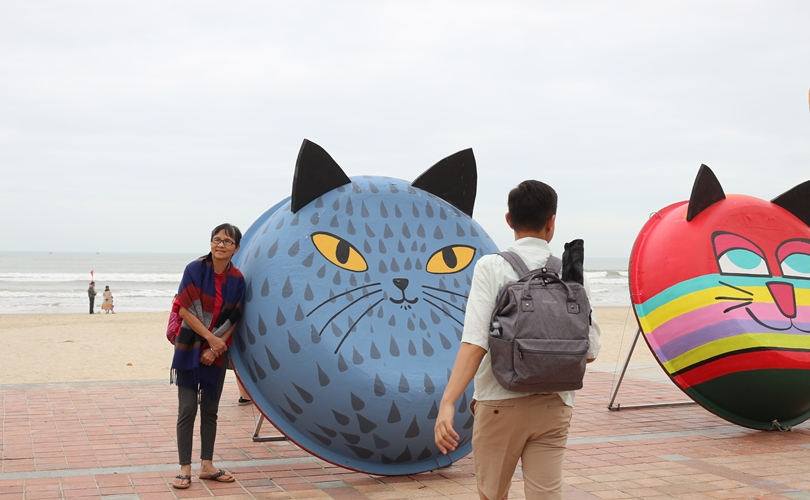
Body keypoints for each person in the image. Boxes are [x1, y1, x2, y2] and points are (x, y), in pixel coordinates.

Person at [434, 180, 602, 500]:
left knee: (492, 494)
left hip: (499, 402)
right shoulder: (571, 272)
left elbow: (475, 342)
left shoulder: (491, 266)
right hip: (555, 404)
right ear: (551, 221)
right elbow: (590, 351)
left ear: (509, 219)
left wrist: (447, 402)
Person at [170, 223, 246, 489]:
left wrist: (215, 347)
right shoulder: (194, 269)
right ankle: (184, 468)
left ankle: (207, 465)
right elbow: (184, 309)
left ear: (236, 248)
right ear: (211, 242)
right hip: (189, 346)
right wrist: (210, 339)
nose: (221, 245)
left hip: (217, 352)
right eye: (217, 239)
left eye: (227, 241)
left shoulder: (237, 279)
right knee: (187, 409)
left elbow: (235, 317)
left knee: (210, 410)